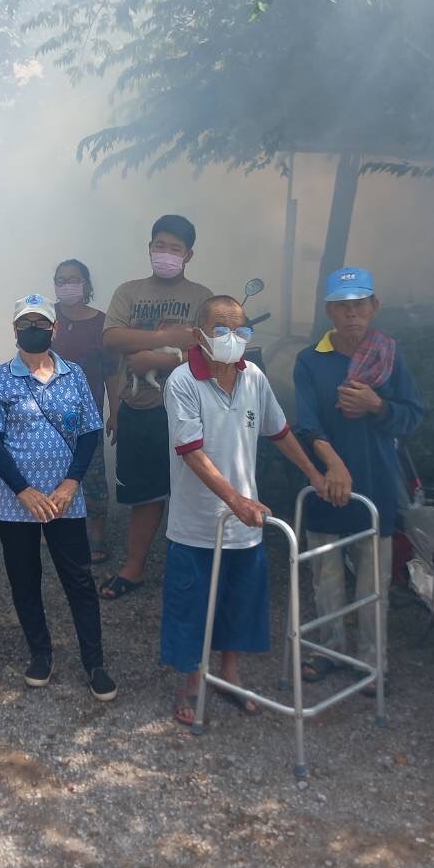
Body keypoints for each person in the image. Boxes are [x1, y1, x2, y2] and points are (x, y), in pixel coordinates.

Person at [162, 296, 330, 725]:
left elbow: (279, 430)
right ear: (199, 334)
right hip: (197, 522)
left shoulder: (253, 376)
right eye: (221, 329)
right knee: (193, 605)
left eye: (241, 330)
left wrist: (313, 473)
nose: (232, 338)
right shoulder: (182, 381)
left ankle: (230, 674)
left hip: (245, 522)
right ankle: (193, 681)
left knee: (239, 602)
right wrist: (234, 500)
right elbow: (191, 452)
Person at [0, 294, 117, 700]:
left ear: (54, 329)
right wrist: (23, 490)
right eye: (26, 324)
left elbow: (89, 432)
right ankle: (40, 654)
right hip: (17, 502)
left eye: (41, 323)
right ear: (14, 331)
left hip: (64, 499)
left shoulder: (73, 375)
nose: (33, 330)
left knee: (79, 579)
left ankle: (94, 662)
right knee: (25, 580)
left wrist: (71, 483)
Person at [292, 267, 423, 689]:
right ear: (330, 311)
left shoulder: (389, 355)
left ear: (374, 307)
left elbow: (412, 415)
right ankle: (328, 649)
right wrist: (334, 465)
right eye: (342, 306)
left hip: (376, 482)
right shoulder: (311, 360)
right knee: (326, 577)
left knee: (373, 583)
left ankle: (372, 662)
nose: (352, 314)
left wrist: (376, 405)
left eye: (359, 305)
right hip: (325, 484)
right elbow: (306, 423)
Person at [99, 214, 214, 601]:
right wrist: (168, 338)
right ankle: (134, 568)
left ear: (189, 255)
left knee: (195, 489)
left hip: (191, 411)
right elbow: (113, 338)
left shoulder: (202, 298)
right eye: (160, 246)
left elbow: (213, 350)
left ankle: (194, 569)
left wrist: (159, 359)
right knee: (145, 494)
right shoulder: (128, 292)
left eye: (175, 248)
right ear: (149, 248)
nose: (165, 253)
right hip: (141, 407)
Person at [52, 258, 121, 564]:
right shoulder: (45, 317)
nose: (67, 285)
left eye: (73, 279)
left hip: (87, 417)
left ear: (86, 284)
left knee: (92, 475)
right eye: (61, 280)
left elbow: (112, 372)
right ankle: (54, 527)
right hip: (47, 416)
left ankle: (96, 534)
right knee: (51, 472)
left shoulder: (102, 323)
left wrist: (115, 412)